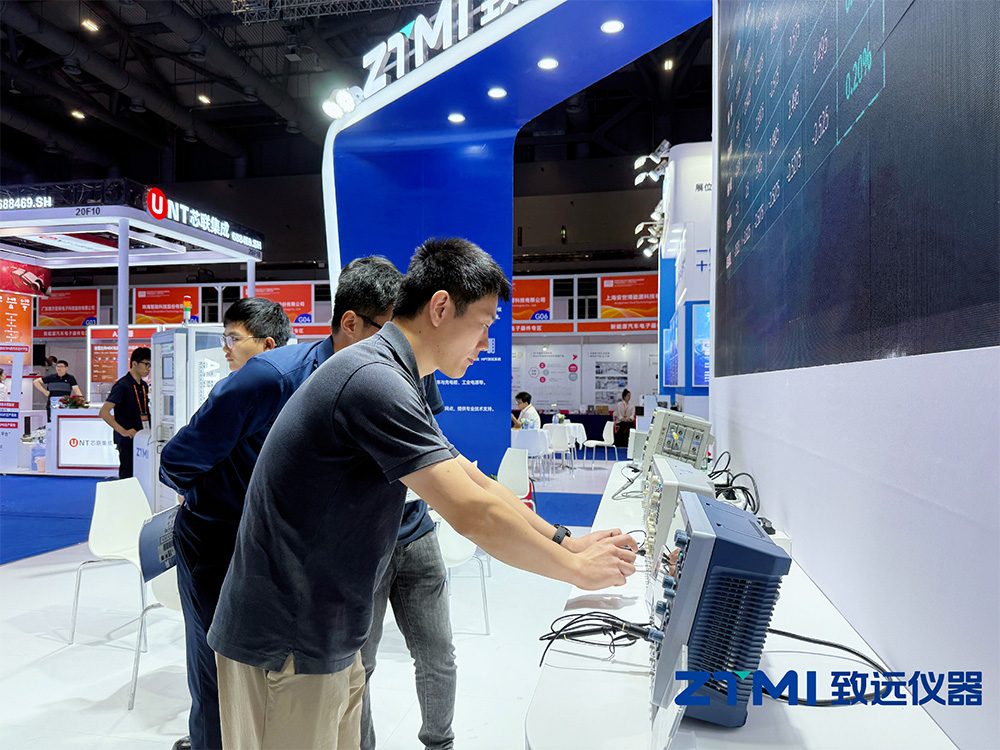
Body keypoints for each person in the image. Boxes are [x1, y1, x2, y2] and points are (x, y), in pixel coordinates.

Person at [208, 237, 637, 749]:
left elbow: (473, 481)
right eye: (483, 325)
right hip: (285, 641)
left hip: (328, 633)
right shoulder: (372, 378)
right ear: (440, 308)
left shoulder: (394, 375)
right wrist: (576, 572)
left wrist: (567, 541)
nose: (486, 344)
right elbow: (472, 512)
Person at [159, 265, 397, 750]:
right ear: (351, 323)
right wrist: (212, 498)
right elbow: (180, 458)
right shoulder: (270, 379)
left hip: (288, 549)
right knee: (218, 664)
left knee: (274, 676)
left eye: (235, 338)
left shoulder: (376, 380)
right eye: (387, 332)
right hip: (220, 538)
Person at [360, 382, 454, 750]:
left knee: (438, 656)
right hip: (363, 544)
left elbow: (435, 442)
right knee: (359, 665)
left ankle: (440, 744)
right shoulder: (347, 372)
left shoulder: (420, 372)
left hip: (418, 532)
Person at [99, 348, 150, 479]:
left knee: (143, 474)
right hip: (128, 438)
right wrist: (123, 432)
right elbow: (104, 412)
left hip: (142, 436)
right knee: (127, 474)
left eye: (150, 365)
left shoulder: (144, 386)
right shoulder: (122, 385)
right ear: (134, 364)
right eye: (146, 364)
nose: (148, 368)